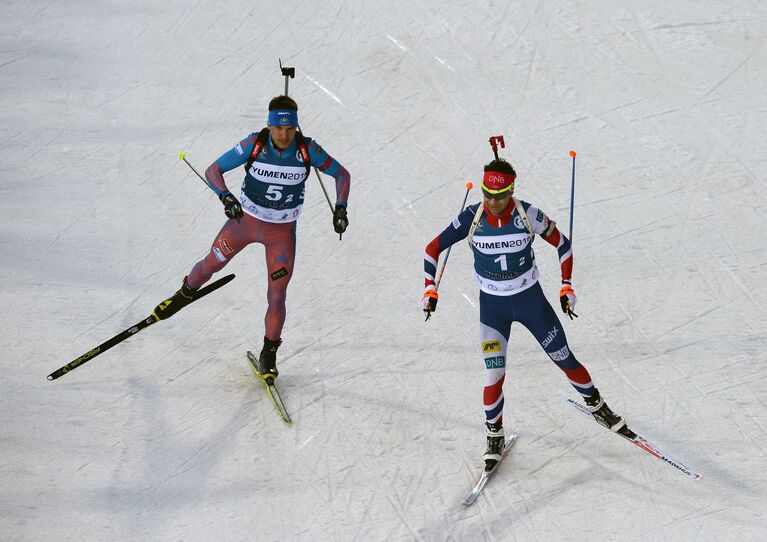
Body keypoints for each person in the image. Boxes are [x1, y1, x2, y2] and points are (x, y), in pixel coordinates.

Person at [422, 156, 626, 470]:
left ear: (512, 191)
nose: (492, 202)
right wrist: (429, 287)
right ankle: (494, 435)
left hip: (531, 303)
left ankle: (597, 405)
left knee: (564, 358)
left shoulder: (527, 214)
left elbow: (564, 245)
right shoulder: (470, 218)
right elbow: (432, 248)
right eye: (487, 195)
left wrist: (567, 286)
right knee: (493, 375)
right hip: (493, 310)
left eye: (500, 196)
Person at [153, 95, 350, 379]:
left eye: (290, 129)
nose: (284, 135)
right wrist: (226, 197)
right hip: (243, 223)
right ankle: (182, 295)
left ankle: (268, 354)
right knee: (211, 264)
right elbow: (213, 170)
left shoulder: (308, 150)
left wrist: (341, 209)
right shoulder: (253, 144)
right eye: (278, 128)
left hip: (281, 233)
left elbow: (342, 175)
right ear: (269, 125)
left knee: (277, 294)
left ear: (296, 127)